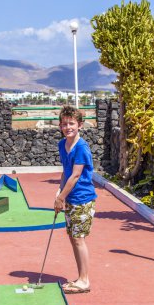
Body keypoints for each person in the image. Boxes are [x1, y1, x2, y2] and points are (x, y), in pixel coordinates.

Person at [54, 105, 97, 294]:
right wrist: (59, 192)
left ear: (80, 125)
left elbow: (76, 176)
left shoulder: (81, 147)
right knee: (73, 238)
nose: (67, 127)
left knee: (79, 239)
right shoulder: (62, 145)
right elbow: (66, 171)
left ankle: (84, 280)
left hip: (82, 199)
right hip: (70, 197)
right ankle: (80, 277)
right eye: (64, 124)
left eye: (71, 123)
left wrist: (61, 197)